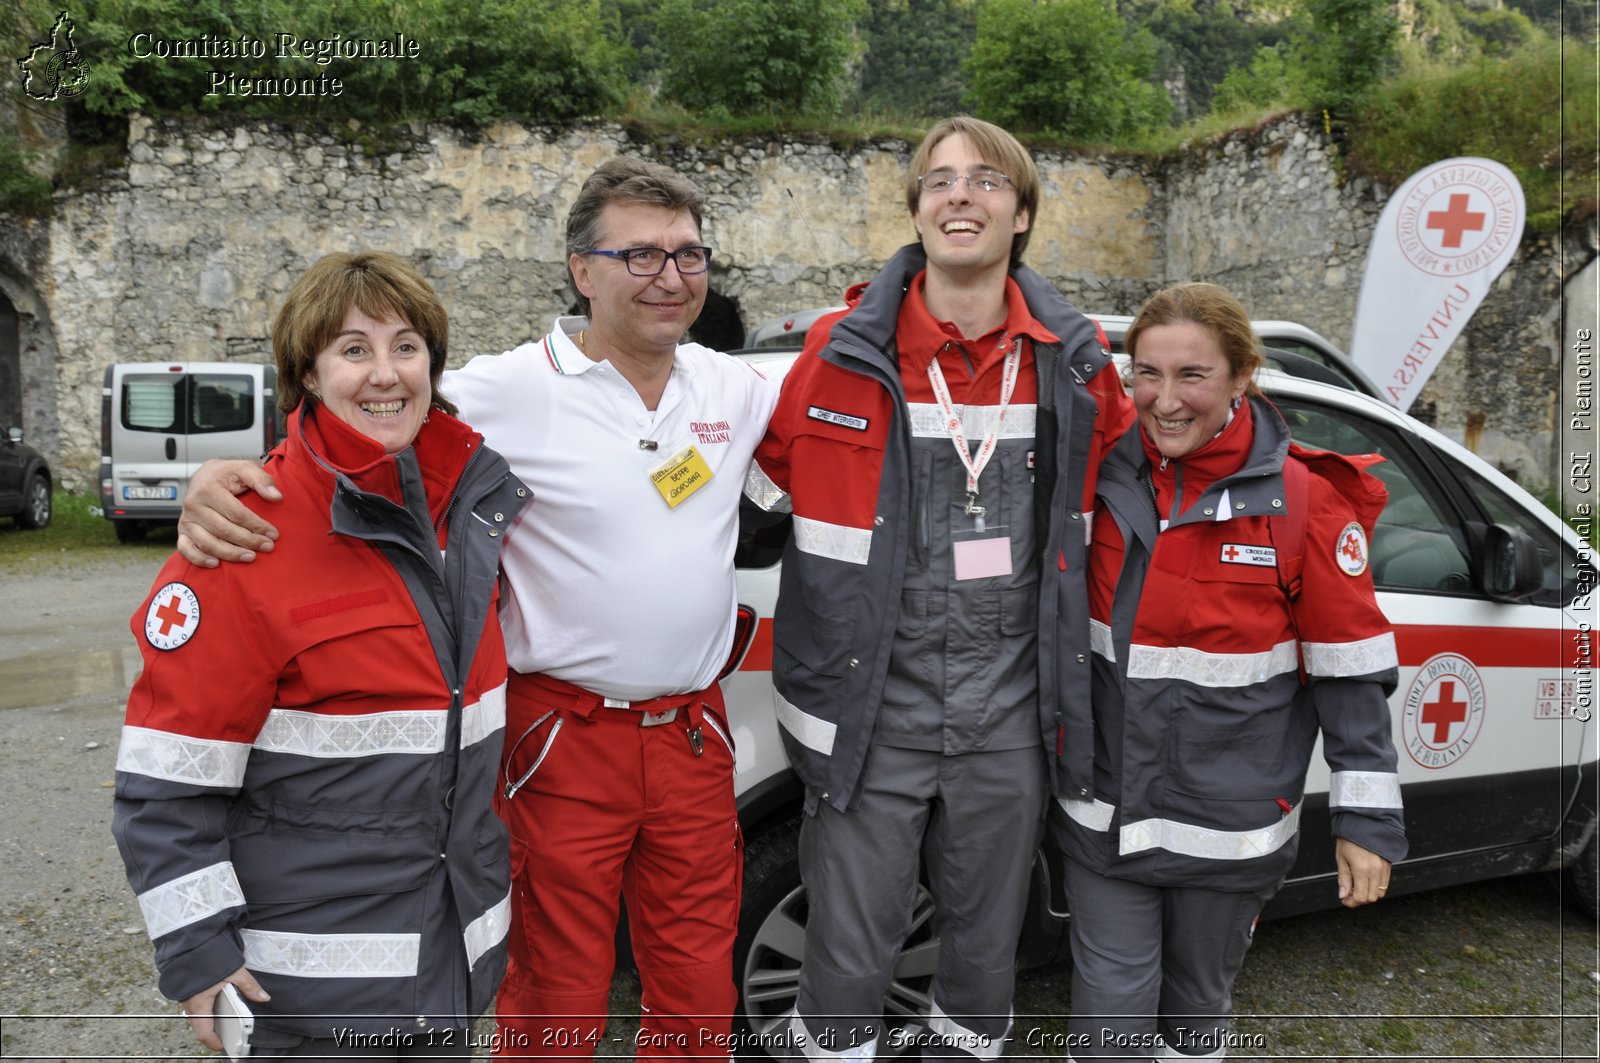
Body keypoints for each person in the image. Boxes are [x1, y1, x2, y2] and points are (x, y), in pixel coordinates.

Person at [172, 158, 779, 1058]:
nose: (671, 277)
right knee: (556, 991)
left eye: (689, 255)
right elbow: (358, 420)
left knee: (697, 979)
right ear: (583, 269)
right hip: (562, 737)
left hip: (693, 734)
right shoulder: (502, 389)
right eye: (641, 255)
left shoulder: (735, 387)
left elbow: (858, 383)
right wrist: (219, 484)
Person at [745, 115, 1135, 1059]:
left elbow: (1137, 505)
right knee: (847, 949)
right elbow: (751, 500)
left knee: (984, 949)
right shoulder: (839, 352)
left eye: (987, 180)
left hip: (1011, 717)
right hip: (867, 715)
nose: (960, 194)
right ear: (917, 214)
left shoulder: (1075, 362)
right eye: (939, 181)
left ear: (1023, 215)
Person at [112, 251, 530, 1059]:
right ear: (307, 372)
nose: (385, 374)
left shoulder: (469, 509)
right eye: (353, 349)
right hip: (309, 999)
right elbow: (167, 781)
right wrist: (199, 952)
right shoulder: (245, 538)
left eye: (406, 346)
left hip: (448, 971)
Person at [1051, 282, 1407, 1060]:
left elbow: (1348, 672)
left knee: (1197, 1011)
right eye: (1146, 373)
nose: (1164, 400)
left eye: (1193, 376)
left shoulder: (1306, 503)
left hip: (1228, 834)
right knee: (1108, 1017)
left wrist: (1367, 822)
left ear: (1244, 376)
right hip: (1101, 816)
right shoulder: (1095, 482)